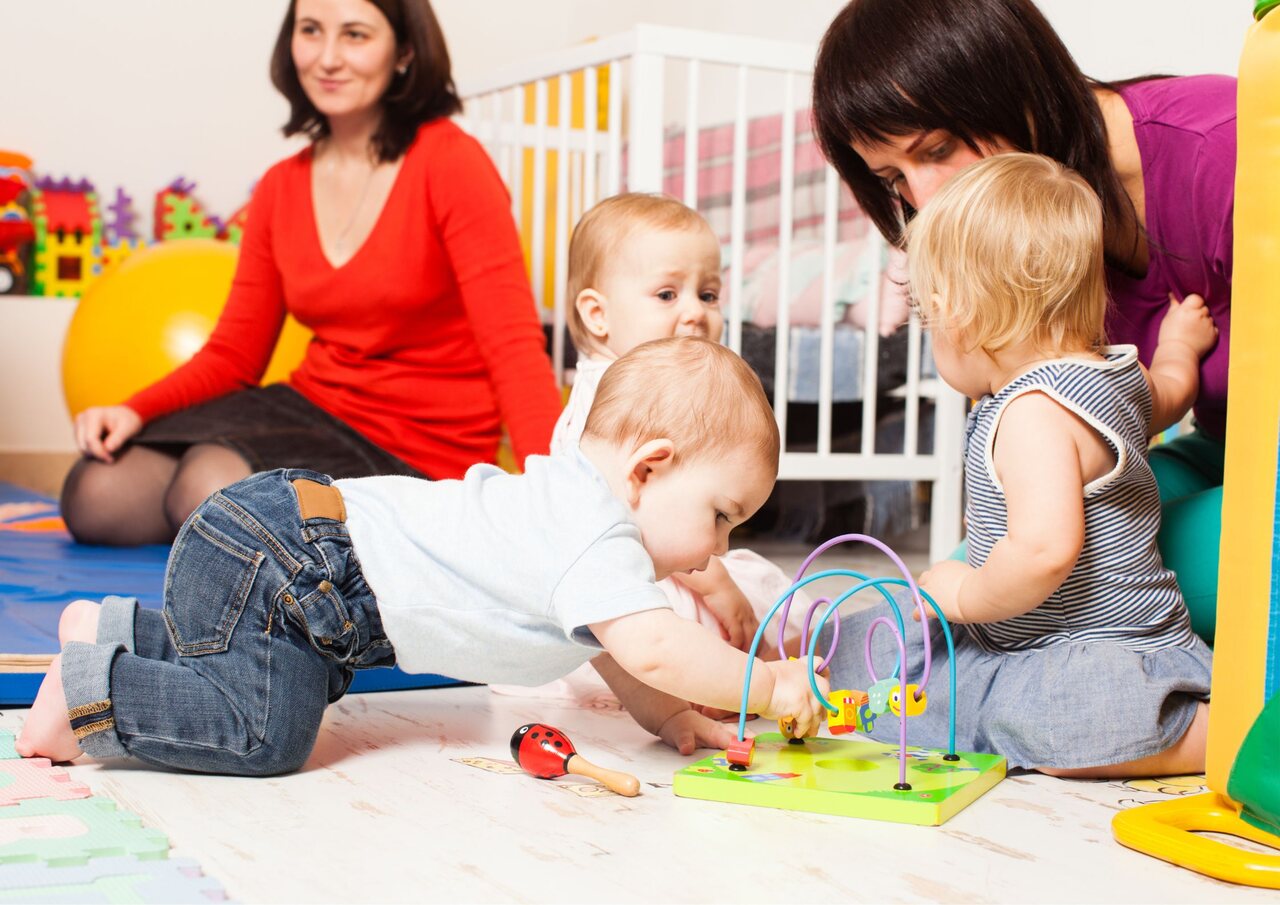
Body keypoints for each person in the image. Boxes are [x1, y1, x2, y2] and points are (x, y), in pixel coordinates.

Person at [17, 337, 830, 774]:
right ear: (648, 468)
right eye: (720, 517)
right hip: (294, 562)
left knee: (273, 671)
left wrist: (673, 716)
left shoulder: (574, 520)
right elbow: (655, 645)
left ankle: (115, 629)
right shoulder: (593, 527)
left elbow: (625, 662)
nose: (718, 548)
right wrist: (770, 684)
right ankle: (95, 694)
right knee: (268, 731)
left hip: (283, 549)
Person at [60, 0, 562, 547]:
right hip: (313, 405)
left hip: (418, 447)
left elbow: (513, 347)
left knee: (208, 485)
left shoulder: (452, 163)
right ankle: (249, 546)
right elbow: (234, 353)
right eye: (310, 31)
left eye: (354, 35)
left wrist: (558, 502)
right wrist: (135, 409)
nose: (327, 57)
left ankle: (254, 550)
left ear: (405, 52)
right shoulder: (281, 186)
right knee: (96, 492)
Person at [811, 0, 1233, 644]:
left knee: (1076, 584)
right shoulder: (1023, 245)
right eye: (895, 177)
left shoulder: (1223, 150)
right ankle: (819, 655)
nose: (924, 201)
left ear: (1016, 87)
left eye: (941, 149)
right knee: (978, 566)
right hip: (1219, 451)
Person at [822, 153, 1215, 777]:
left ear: (960, 314)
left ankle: (1219, 735)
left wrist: (968, 593)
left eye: (926, 317)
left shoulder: (1032, 414)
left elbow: (1042, 552)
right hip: (1030, 636)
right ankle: (802, 659)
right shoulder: (1118, 373)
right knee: (884, 636)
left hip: (1093, 652)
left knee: (1044, 718)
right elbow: (1173, 390)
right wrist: (1179, 346)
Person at [492, 194, 814, 712]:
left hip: (655, 560)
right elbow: (656, 523)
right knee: (733, 605)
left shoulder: (622, 385)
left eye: (708, 294)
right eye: (667, 294)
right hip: (637, 575)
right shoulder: (620, 404)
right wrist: (718, 588)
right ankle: (728, 677)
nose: (696, 313)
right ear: (597, 314)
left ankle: (758, 658)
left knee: (762, 581)